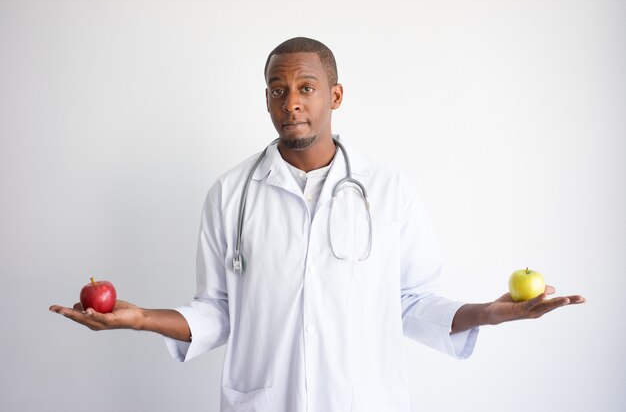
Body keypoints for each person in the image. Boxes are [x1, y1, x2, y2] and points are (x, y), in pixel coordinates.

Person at [50, 37, 585, 412]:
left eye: (306, 87)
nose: (292, 103)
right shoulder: (230, 195)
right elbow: (217, 312)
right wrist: (142, 318)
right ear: (266, 99)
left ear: (335, 95)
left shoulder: (388, 191)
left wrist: (489, 314)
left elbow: (414, 303)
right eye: (278, 90)